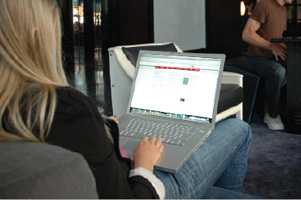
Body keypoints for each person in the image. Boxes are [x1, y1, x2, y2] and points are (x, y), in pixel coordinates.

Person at [0, 0, 252, 198]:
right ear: (36, 35)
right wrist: (143, 166)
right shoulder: (63, 108)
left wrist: (106, 126)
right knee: (238, 128)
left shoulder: (16, 109)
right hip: (144, 188)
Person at [242, 0, 293, 130]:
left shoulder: (283, 10)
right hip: (255, 58)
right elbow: (247, 34)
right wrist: (271, 46)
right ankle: (271, 113)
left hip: (273, 58)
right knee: (278, 71)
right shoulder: (265, 4)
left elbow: (276, 36)